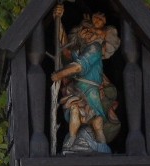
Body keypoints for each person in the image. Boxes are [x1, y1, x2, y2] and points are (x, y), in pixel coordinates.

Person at [51, 6, 121, 153]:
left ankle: (101, 147)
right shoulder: (79, 49)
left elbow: (79, 67)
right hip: (77, 89)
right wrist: (58, 20)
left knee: (97, 121)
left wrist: (59, 75)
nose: (88, 33)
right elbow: (65, 48)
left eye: (91, 31)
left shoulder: (95, 48)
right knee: (75, 110)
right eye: (85, 31)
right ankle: (71, 140)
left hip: (91, 90)